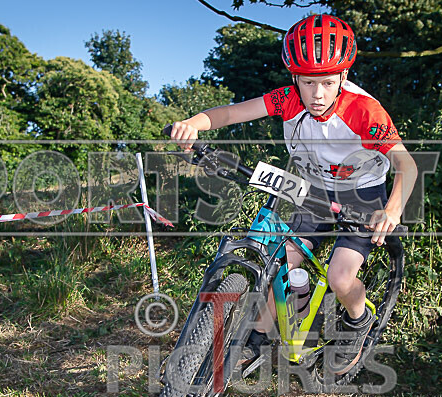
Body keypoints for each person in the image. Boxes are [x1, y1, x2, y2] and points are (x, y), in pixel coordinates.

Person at [169, 14, 418, 374]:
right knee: (280, 260)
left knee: (340, 277)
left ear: (344, 77)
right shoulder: (288, 99)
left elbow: (406, 165)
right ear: (294, 78)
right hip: (314, 189)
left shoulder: (364, 110)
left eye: (328, 83)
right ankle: (255, 341)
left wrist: (392, 210)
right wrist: (195, 122)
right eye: (308, 83)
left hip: (362, 194)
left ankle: (358, 320)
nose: (317, 95)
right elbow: (229, 113)